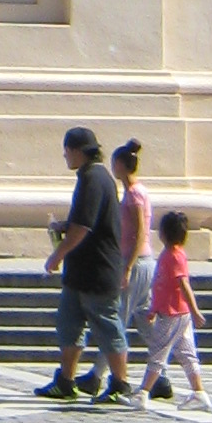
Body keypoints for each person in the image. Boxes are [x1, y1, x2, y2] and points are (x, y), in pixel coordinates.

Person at [40, 125, 132, 402]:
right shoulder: (91, 176)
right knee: (69, 324)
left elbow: (83, 227)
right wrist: (63, 226)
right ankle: (66, 381)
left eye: (66, 150)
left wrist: (57, 255)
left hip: (98, 270)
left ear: (78, 151)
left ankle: (120, 384)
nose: (65, 156)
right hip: (80, 272)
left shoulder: (94, 178)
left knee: (106, 325)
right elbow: (82, 221)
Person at [136, 208, 211, 410]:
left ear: (164, 233)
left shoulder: (175, 256)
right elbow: (161, 286)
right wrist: (154, 308)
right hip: (173, 312)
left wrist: (195, 311)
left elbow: (183, 285)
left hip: (173, 313)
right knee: (186, 354)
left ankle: (143, 393)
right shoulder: (168, 255)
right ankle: (199, 393)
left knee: (158, 352)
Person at [114, 139, 154, 331]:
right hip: (143, 259)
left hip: (135, 261)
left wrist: (128, 267)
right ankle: (164, 346)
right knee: (144, 314)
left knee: (120, 314)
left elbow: (140, 231)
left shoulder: (134, 194)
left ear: (120, 165)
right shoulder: (136, 191)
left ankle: (109, 354)